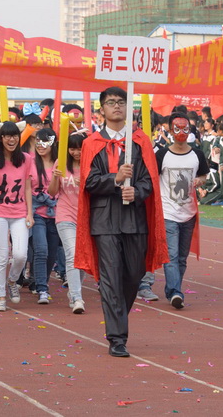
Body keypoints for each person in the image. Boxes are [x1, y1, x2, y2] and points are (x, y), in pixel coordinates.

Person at [75, 86, 167, 358]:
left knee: (133, 276)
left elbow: (149, 181)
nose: (116, 106)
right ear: (101, 109)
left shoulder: (140, 142)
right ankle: (117, 337)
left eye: (121, 102)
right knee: (112, 278)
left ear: (128, 108)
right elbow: (88, 182)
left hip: (135, 219)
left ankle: (117, 317)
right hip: (104, 221)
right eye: (110, 102)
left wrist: (136, 191)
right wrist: (114, 180)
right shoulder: (91, 143)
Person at [154, 113, 208, 309]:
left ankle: (172, 289)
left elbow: (203, 175)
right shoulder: (161, 155)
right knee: (172, 255)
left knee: (182, 257)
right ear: (170, 130)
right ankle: (176, 292)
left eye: (186, 129)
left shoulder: (197, 154)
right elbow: (152, 179)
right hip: (168, 212)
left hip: (189, 212)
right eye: (177, 129)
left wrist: (199, 181)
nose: (182, 133)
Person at [0, 121, 33, 312]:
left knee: (21, 254)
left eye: (14, 135)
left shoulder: (26, 159)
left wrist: (30, 212)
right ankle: (0, 296)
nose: (11, 139)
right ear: (0, 138)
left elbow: (28, 186)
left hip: (20, 211)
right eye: (6, 136)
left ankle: (12, 280)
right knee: (2, 255)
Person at [48, 131, 87, 314]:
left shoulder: (92, 164)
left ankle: (74, 292)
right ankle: (77, 297)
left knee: (83, 259)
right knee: (71, 254)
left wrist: (85, 183)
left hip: (86, 217)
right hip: (65, 215)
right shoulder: (61, 163)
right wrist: (56, 176)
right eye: (72, 148)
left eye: (80, 148)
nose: (76, 152)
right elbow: (52, 192)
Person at [29, 128, 61, 305]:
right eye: (38, 141)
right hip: (37, 213)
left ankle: (41, 281)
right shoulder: (30, 161)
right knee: (40, 249)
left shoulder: (60, 163)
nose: (41, 145)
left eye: (45, 142)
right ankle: (42, 288)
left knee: (52, 253)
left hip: (56, 213)